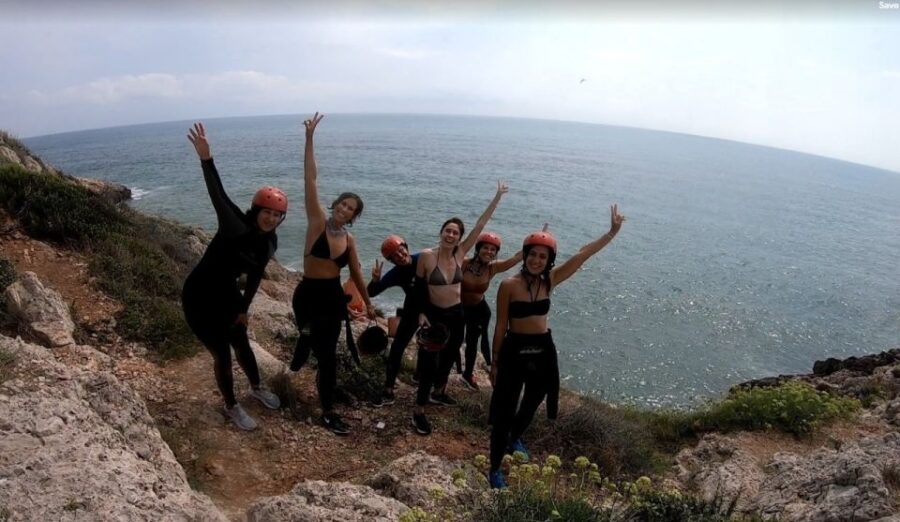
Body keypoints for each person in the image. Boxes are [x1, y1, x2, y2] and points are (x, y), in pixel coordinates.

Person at [487, 205, 625, 488]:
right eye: (533, 254)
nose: (537, 260)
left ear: (549, 260)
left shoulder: (550, 281)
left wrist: (610, 233)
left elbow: (582, 255)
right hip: (514, 348)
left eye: (543, 256)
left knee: (537, 396)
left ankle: (515, 437)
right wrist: (495, 362)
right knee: (504, 407)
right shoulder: (508, 285)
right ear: (524, 255)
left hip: (542, 347)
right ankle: (495, 466)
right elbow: (501, 325)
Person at [182, 122, 284, 431]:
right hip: (198, 297)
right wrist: (206, 159)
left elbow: (254, 277)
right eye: (267, 211)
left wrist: (243, 310)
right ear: (256, 209)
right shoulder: (235, 226)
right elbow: (219, 195)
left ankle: (256, 387)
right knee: (222, 353)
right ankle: (231, 406)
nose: (271, 218)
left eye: (278, 214)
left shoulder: (270, 242)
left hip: (227, 295)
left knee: (242, 343)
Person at [290, 112, 376, 436]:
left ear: (353, 217)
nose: (343, 211)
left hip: (332, 299)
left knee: (327, 356)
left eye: (349, 209)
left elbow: (355, 273)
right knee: (316, 344)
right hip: (308, 295)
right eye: (341, 205)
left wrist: (367, 304)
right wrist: (309, 139)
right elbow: (310, 179)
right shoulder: (317, 222)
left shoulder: (349, 240)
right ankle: (304, 341)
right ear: (335, 205)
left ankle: (327, 410)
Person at [411, 182, 509, 435]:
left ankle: (439, 392)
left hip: (457, 314)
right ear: (441, 232)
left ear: (460, 237)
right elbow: (419, 288)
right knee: (429, 361)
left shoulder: (461, 254)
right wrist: (421, 312)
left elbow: (480, 225)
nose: (451, 235)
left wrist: (497, 198)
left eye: (456, 232)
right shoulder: (426, 257)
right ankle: (419, 410)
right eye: (448, 230)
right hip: (434, 314)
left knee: (450, 355)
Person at [459, 232, 522, 390]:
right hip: (459, 307)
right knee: (454, 339)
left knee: (473, 343)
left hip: (479, 311)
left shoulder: (493, 268)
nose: (489, 252)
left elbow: (515, 258)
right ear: (478, 249)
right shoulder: (465, 263)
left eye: (493, 249)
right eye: (485, 248)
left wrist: (531, 246)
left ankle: (467, 375)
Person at [366, 235, 422, 406]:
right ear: (391, 260)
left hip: (432, 310)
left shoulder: (423, 259)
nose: (399, 255)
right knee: (397, 348)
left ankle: (423, 381)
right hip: (412, 310)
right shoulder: (396, 273)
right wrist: (375, 280)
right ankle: (388, 390)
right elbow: (372, 292)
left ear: (406, 247)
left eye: (400, 250)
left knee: (431, 350)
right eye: (394, 255)